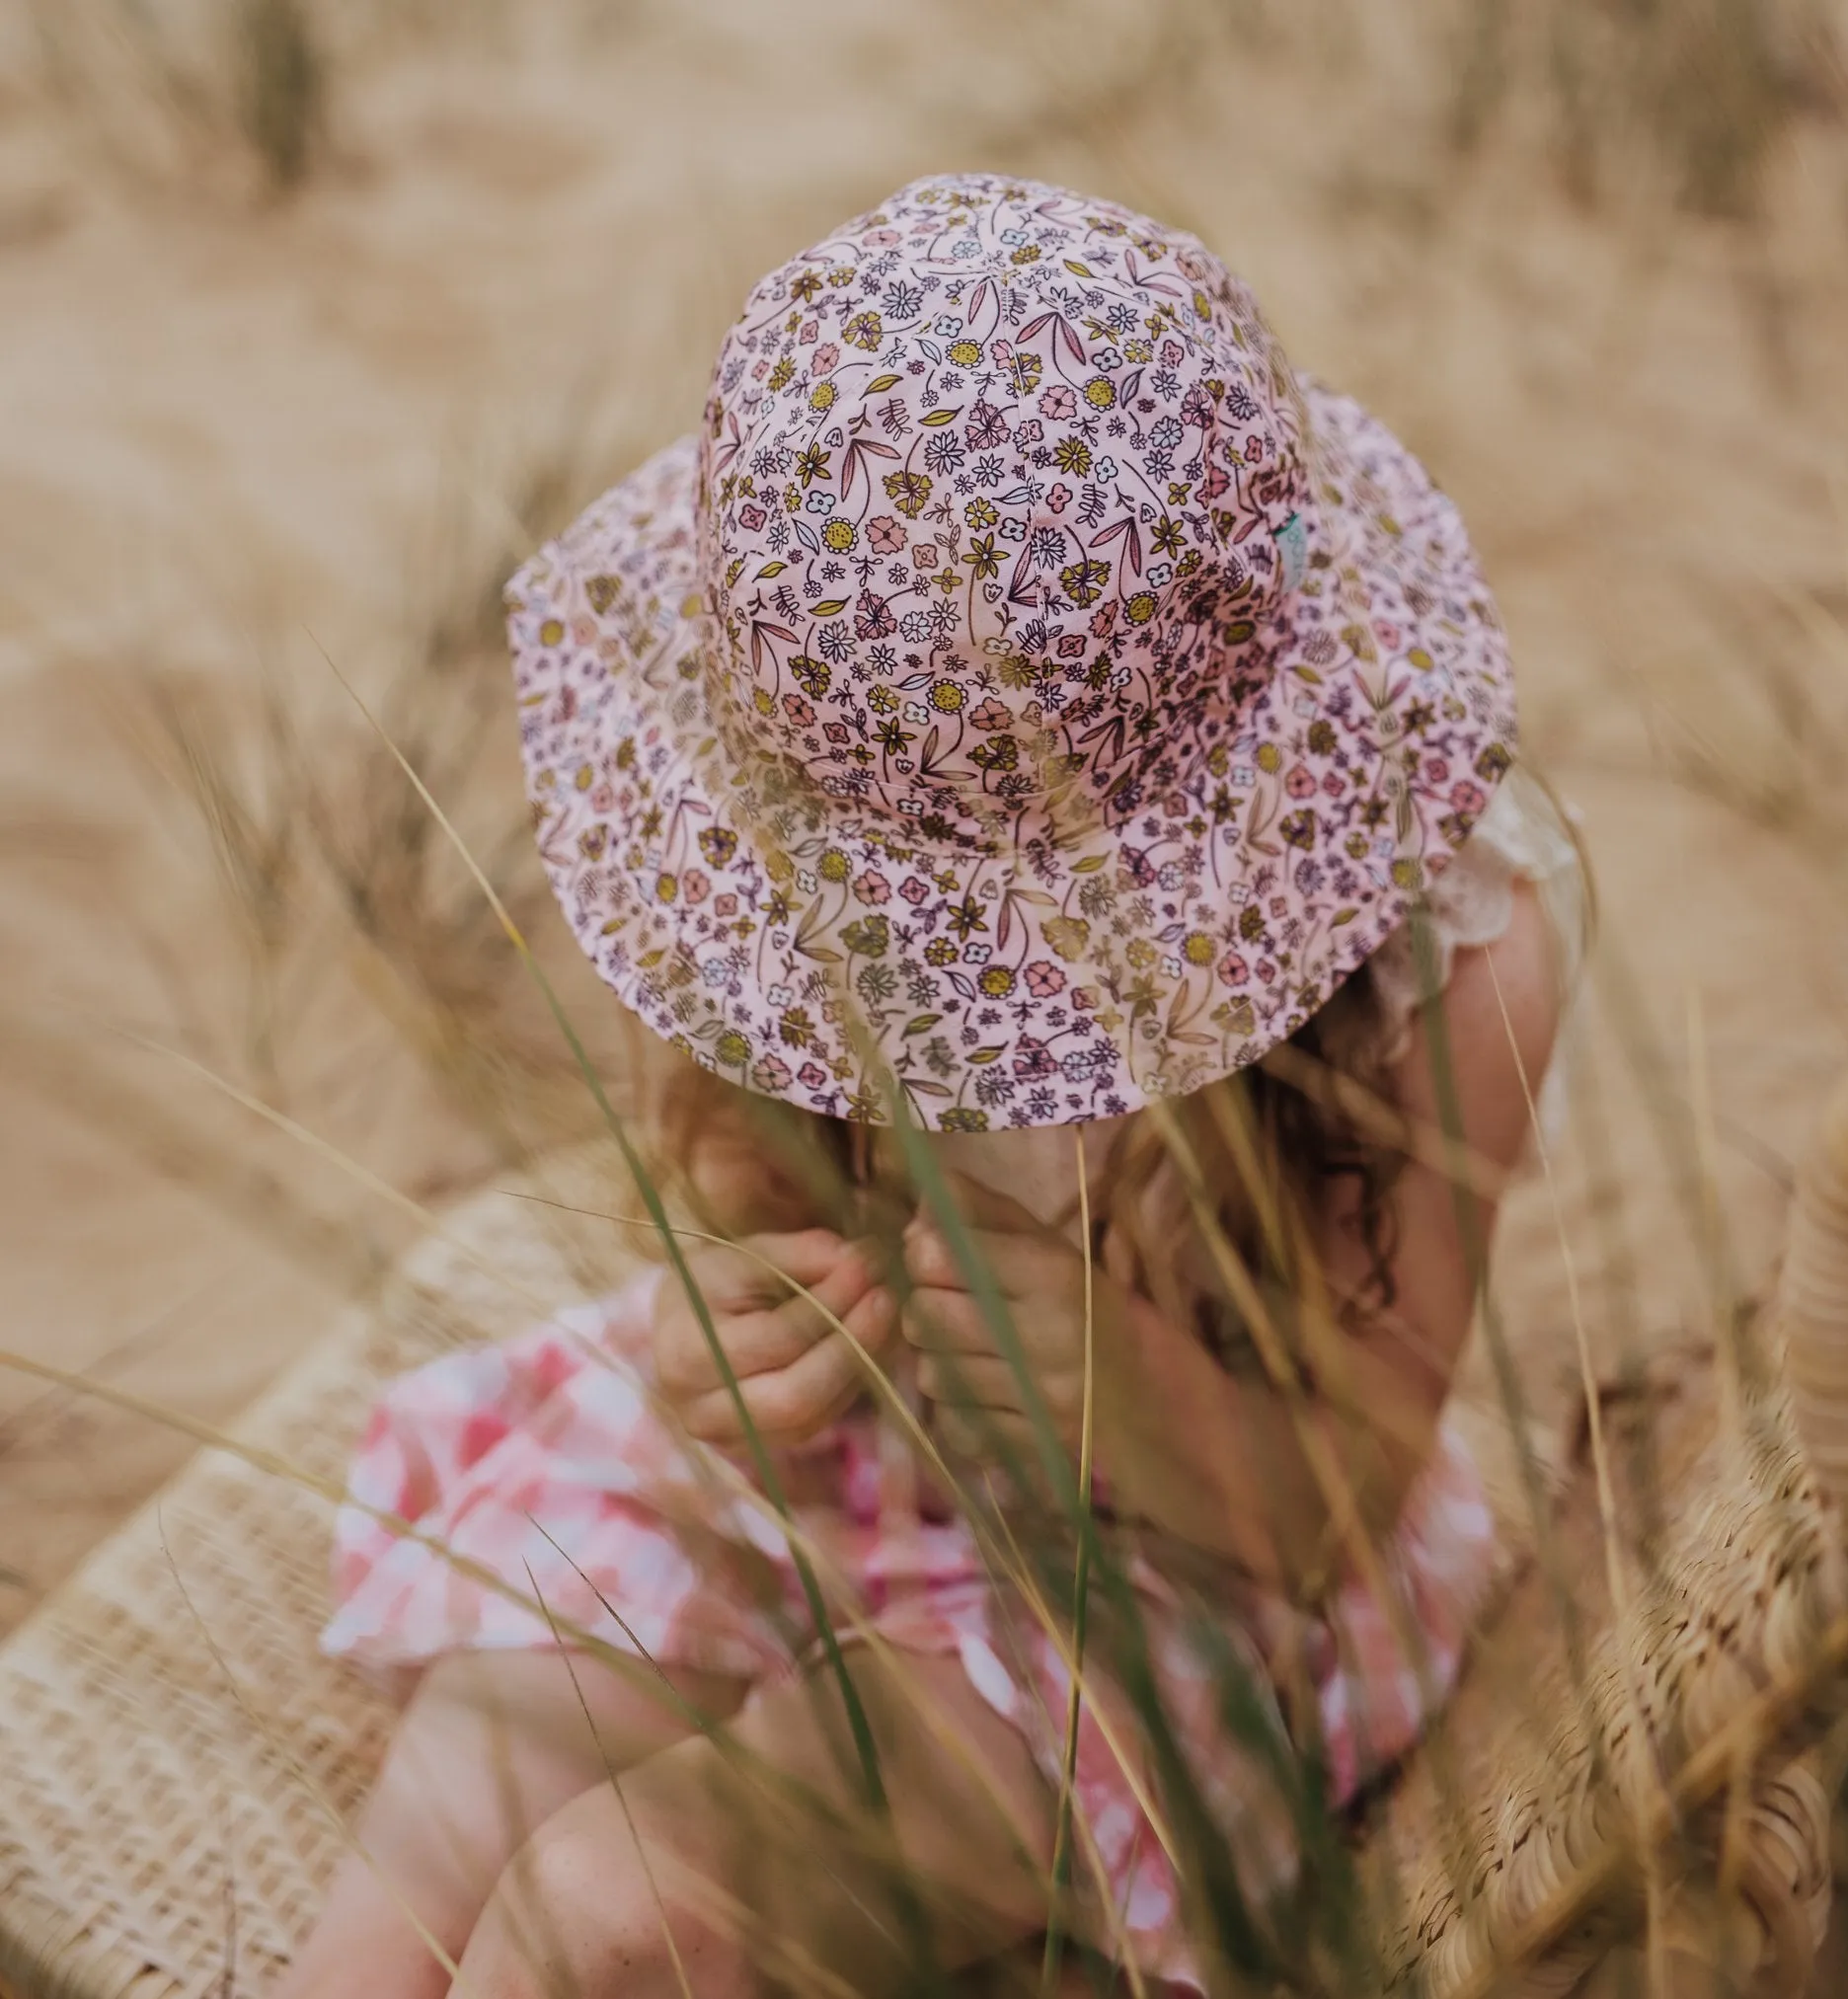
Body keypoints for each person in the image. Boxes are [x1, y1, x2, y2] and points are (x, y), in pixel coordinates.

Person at [277, 174, 1585, 1999]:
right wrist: (726, 1363)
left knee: (616, 1913)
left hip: (1177, 1576)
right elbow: (735, 1204)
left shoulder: (1445, 949)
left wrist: (1129, 1391)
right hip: (847, 1474)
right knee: (425, 1862)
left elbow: (1340, 1505)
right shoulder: (781, 842)